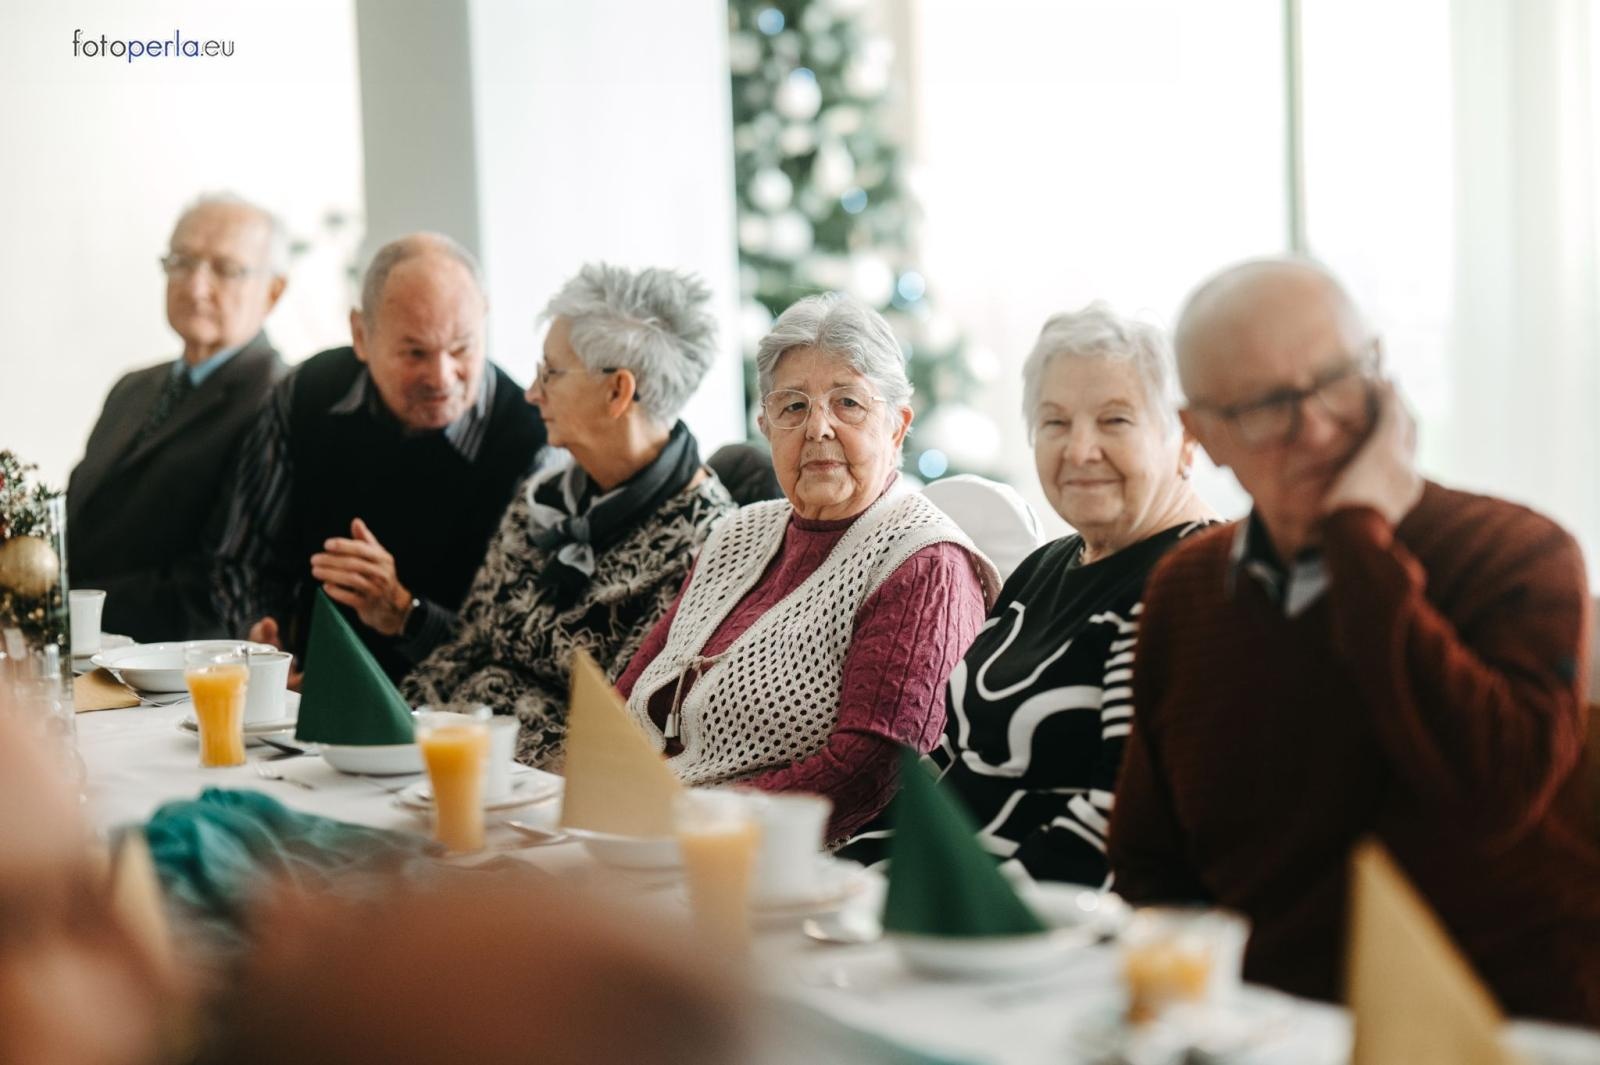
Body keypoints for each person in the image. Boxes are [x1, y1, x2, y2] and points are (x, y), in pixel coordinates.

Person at [1107, 257, 1600, 1025]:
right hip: (1271, 1028)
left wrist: (1360, 543)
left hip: (1501, 1029)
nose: (1316, 427)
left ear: (1383, 378)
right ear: (1203, 435)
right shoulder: (1186, 591)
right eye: (1268, 405)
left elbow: (1493, 794)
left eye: (1337, 378)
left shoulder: (1517, 554)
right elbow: (1150, 860)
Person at [838, 304, 1215, 883]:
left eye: (1114, 420)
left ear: (1185, 439)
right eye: (1055, 423)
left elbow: (1121, 822)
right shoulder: (1047, 565)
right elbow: (950, 757)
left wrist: (957, 908)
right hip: (943, 889)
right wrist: (852, 873)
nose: (1080, 450)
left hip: (1042, 912)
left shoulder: (1190, 584)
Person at [616, 294, 999, 842]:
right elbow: (629, 691)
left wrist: (693, 822)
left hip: (785, 856)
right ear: (766, 426)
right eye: (793, 407)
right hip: (642, 830)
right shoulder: (736, 533)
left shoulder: (926, 563)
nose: (818, 427)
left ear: (896, 426)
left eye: (848, 403)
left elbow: (872, 770)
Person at [403, 264, 735, 765]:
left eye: (551, 373)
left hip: (540, 791)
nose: (532, 393)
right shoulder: (541, 496)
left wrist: (466, 741)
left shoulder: (705, 548)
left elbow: (620, 737)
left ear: (617, 391)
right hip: (445, 760)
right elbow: (463, 649)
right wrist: (395, 728)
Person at [213, 233, 546, 682]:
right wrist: (262, 639)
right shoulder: (307, 394)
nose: (442, 376)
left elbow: (519, 646)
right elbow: (242, 559)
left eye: (462, 348)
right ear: (361, 335)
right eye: (415, 352)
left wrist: (405, 613)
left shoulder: (533, 440)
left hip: (456, 710)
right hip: (308, 694)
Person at [68, 193, 288, 642]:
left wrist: (64, 607)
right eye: (182, 262)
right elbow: (83, 522)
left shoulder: (277, 399)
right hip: (82, 649)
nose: (195, 286)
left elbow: (215, 587)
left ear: (273, 291)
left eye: (225, 269)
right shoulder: (133, 387)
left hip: (174, 663)